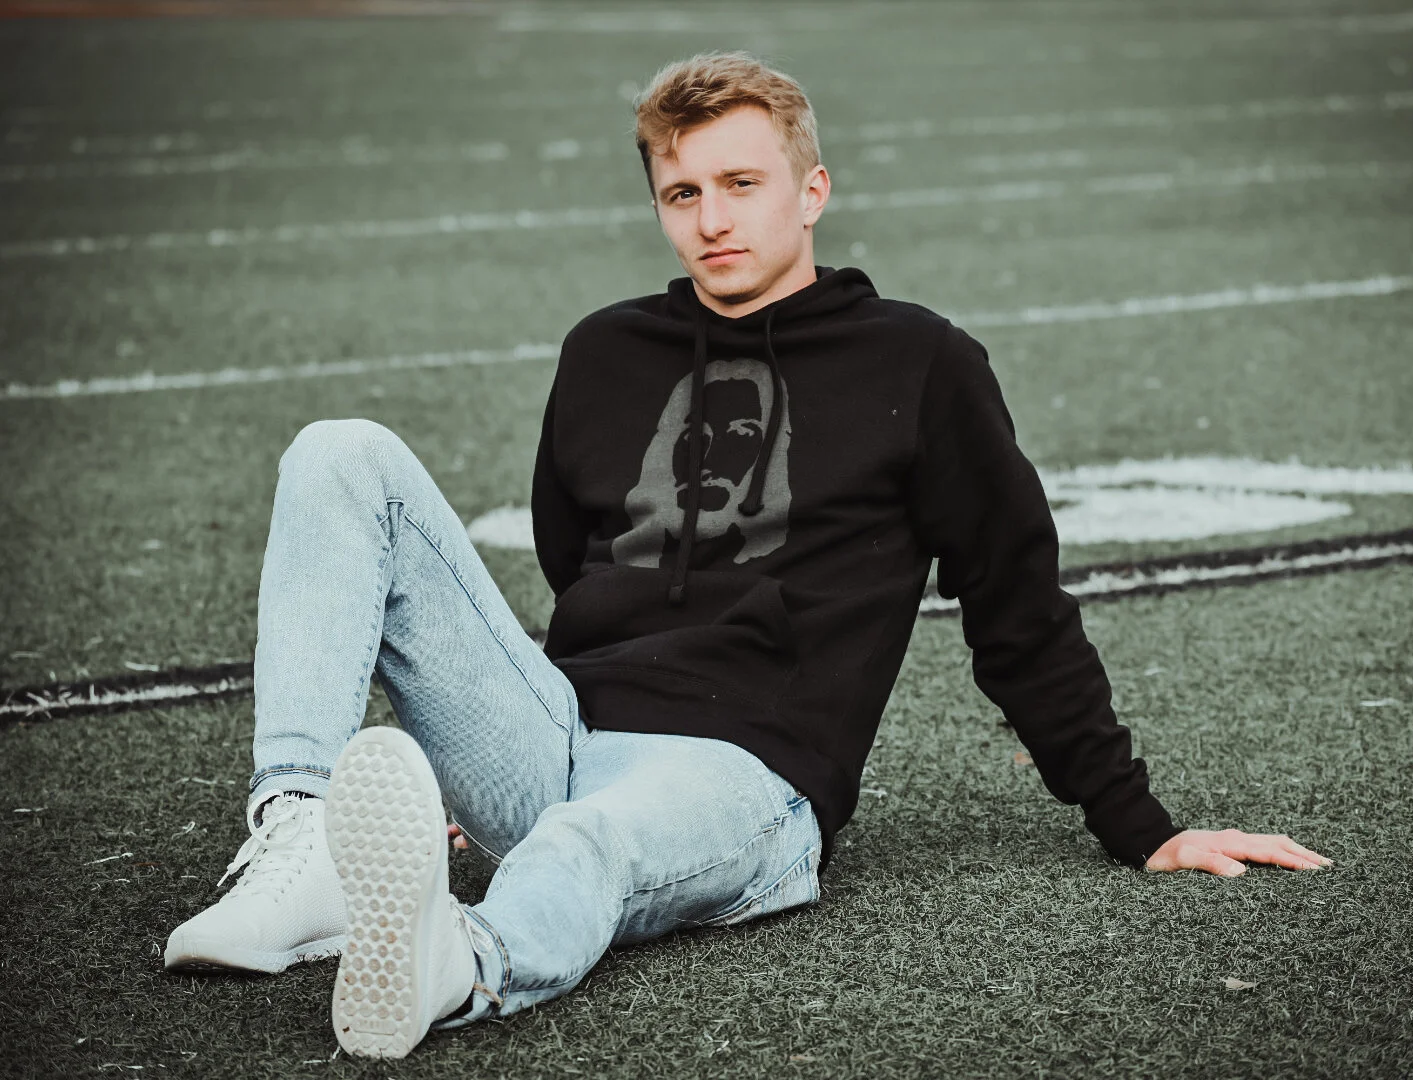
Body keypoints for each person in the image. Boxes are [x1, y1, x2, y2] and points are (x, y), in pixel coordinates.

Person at [163, 51, 1332, 1059]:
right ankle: (300, 836)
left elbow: (1015, 604)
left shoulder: (921, 365)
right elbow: (579, 571)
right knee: (342, 453)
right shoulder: (604, 351)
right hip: (559, 733)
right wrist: (507, 739)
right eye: (682, 193)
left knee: (584, 840)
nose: (712, 220)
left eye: (740, 184)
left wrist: (1139, 822)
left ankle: (463, 963)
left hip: (747, 775)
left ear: (812, 190)